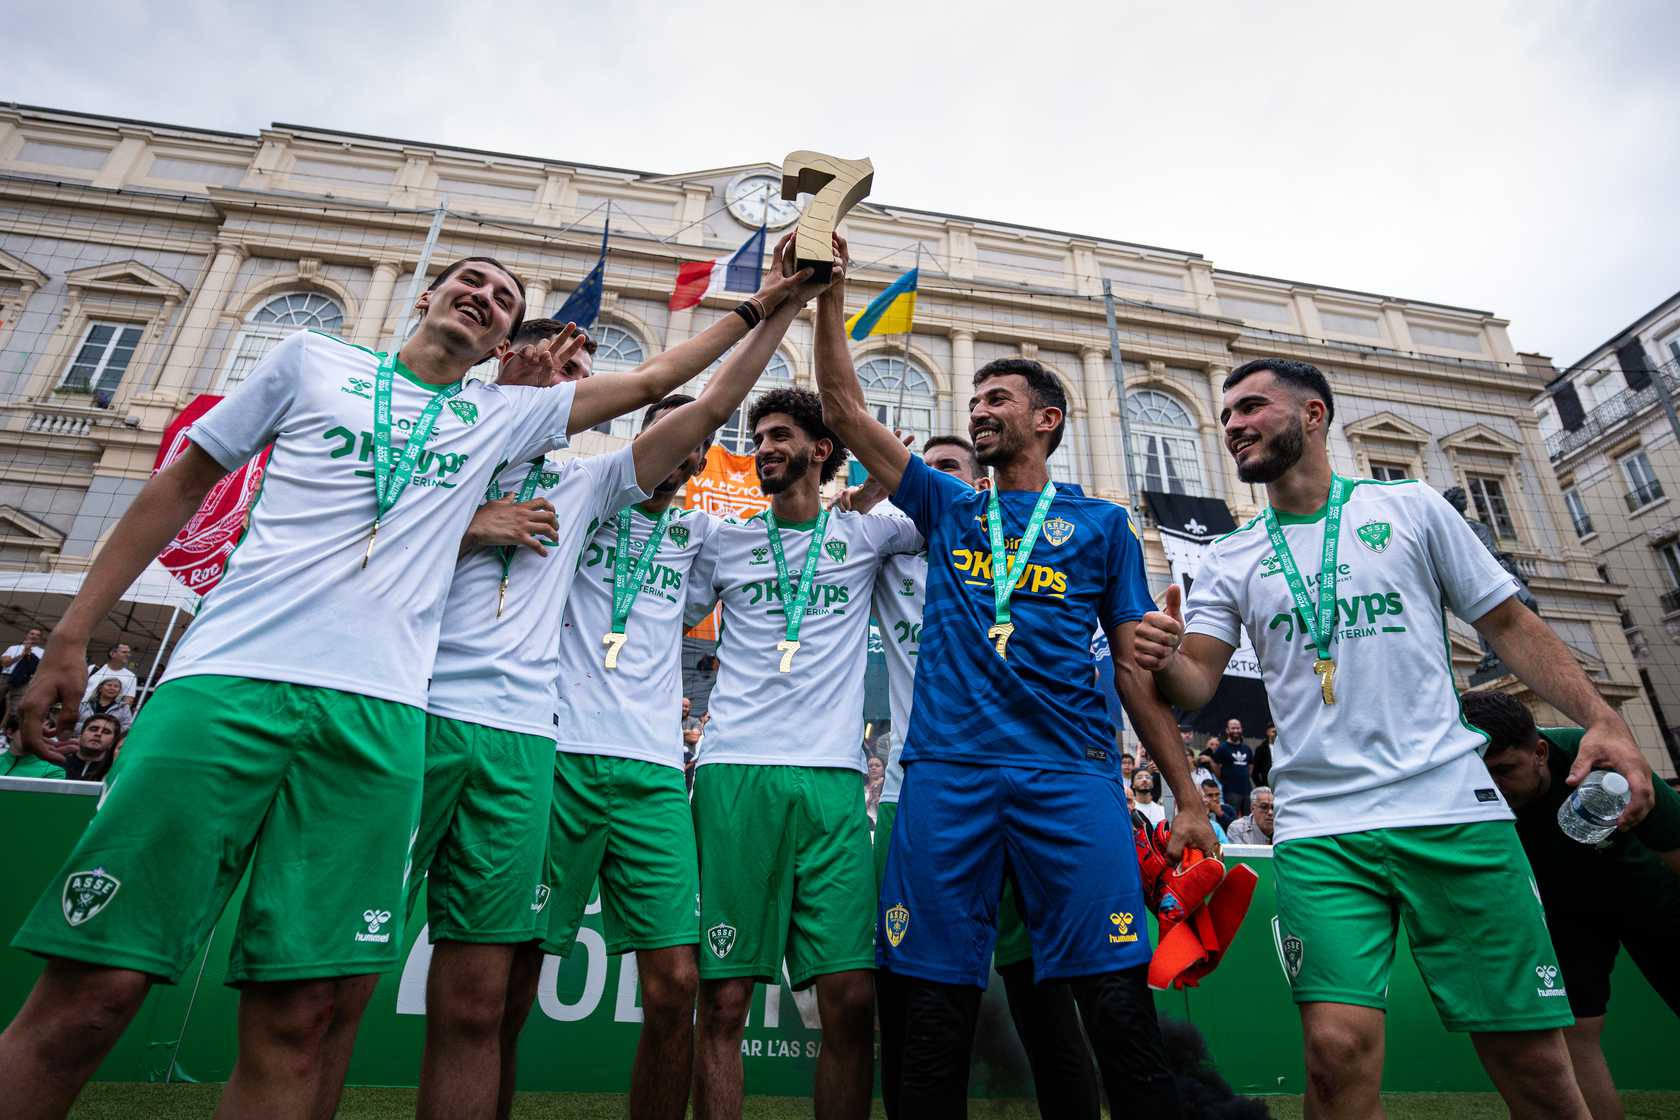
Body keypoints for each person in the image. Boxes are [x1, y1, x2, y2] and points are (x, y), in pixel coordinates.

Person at [0, 254, 624, 1119]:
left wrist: (772, 305)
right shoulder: (310, 360)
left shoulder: (503, 425)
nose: (485, 300)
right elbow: (181, 483)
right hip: (226, 690)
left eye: (506, 299)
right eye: (472, 283)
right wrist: (72, 632)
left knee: (307, 1014)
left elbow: (661, 390)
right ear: (427, 296)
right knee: (93, 992)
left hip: (381, 718)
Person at [1135, 355, 1653, 1120]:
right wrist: (1162, 653)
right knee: (1334, 1057)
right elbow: (1196, 685)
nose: (1234, 424)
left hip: (1452, 811)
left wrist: (1606, 720)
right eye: (1228, 416)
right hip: (1322, 830)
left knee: (1534, 1062)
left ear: (1313, 416)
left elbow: (1507, 623)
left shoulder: (1409, 506)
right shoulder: (1230, 555)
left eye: (1251, 408)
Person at [406, 246, 819, 1120]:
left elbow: (711, 403)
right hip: (538, 752)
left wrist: (784, 307)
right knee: (498, 991)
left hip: (650, 772)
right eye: (566, 361)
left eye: (699, 451)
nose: (685, 457)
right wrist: (468, 524)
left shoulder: (644, 512)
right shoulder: (481, 450)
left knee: (676, 983)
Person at [813, 236, 1214, 1115]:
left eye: (998, 399)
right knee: (932, 1008)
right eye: (976, 399)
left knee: (1115, 1003)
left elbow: (1137, 676)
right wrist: (829, 295)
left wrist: (1185, 796)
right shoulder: (951, 504)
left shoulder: (1101, 525)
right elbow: (843, 410)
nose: (980, 410)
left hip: (1070, 779)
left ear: (1048, 420)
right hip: (948, 777)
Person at [843, 434, 1104, 1120]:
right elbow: (826, 525)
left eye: (956, 471)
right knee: (907, 999)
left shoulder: (1033, 556)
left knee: (1040, 991)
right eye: (929, 474)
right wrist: (873, 485)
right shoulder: (888, 553)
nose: (948, 487)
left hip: (1026, 794)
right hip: (918, 797)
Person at [681, 384, 921, 1120]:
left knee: (850, 1001)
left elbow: (916, 482)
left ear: (822, 451)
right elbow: (664, 621)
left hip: (834, 783)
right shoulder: (720, 539)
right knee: (722, 999)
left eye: (780, 435)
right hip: (734, 774)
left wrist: (863, 488)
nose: (764, 448)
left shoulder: (869, 535)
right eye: (759, 438)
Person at [1465, 690, 1678, 1120]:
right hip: (1562, 908)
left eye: (1504, 770)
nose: (1493, 788)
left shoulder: (1604, 761)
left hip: (1647, 889)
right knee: (1573, 1033)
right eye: (1481, 775)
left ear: (1540, 752)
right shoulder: (1461, 794)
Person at [59, 714, 121, 784]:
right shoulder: (58, 762)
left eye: (106, 732)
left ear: (113, 742)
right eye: (93, 729)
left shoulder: (113, 771)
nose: (98, 734)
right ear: (81, 735)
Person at [1212, 717, 1254, 813]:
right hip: (1230, 791)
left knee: (1248, 818)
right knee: (1232, 817)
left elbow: (1251, 766)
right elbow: (1215, 766)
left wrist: (1244, 775)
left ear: (1241, 729)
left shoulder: (1246, 748)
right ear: (1227, 730)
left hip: (1247, 790)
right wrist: (1222, 778)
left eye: (1238, 728)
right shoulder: (1222, 748)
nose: (1236, 730)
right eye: (1233, 728)